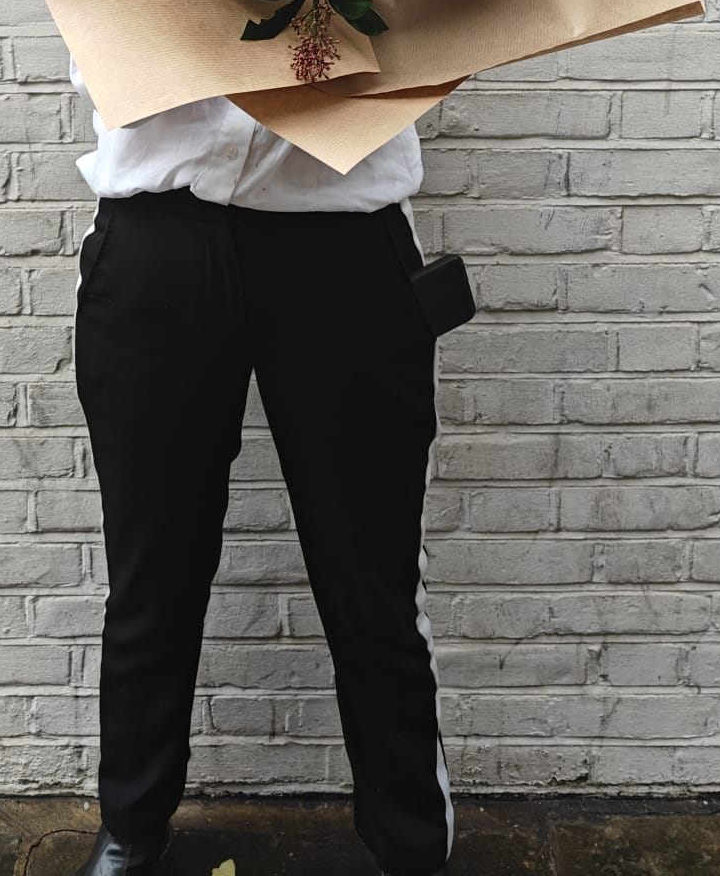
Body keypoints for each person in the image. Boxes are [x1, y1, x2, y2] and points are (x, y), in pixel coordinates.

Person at [67, 59, 455, 876]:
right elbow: (99, 51)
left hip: (343, 237)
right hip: (158, 236)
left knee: (372, 581)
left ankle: (410, 842)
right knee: (151, 572)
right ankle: (132, 825)